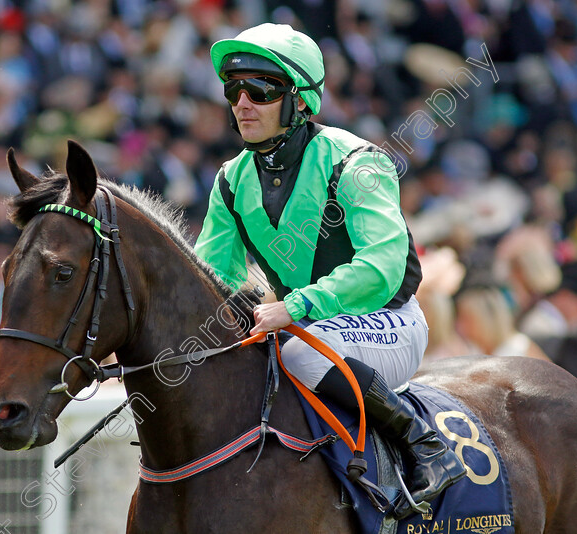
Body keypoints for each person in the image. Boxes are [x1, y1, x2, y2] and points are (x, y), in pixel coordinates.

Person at [193, 23, 466, 518]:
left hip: (390, 322)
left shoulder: (356, 161)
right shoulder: (230, 180)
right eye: (234, 89)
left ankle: (424, 443)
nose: (242, 103)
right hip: (304, 328)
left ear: (300, 101)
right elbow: (212, 277)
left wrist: (295, 306)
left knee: (298, 354)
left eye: (260, 89)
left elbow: (382, 267)